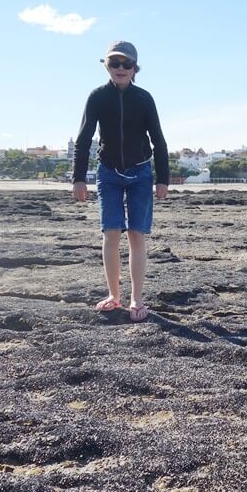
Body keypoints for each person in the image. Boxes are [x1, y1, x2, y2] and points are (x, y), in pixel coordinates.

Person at [72, 40, 169, 321]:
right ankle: (114, 295)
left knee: (137, 234)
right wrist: (79, 179)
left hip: (140, 173)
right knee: (111, 233)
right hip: (108, 173)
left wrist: (162, 178)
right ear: (106, 66)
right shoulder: (97, 97)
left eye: (126, 64)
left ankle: (137, 299)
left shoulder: (144, 98)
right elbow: (84, 139)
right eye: (115, 63)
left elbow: (158, 140)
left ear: (135, 68)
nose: (121, 68)